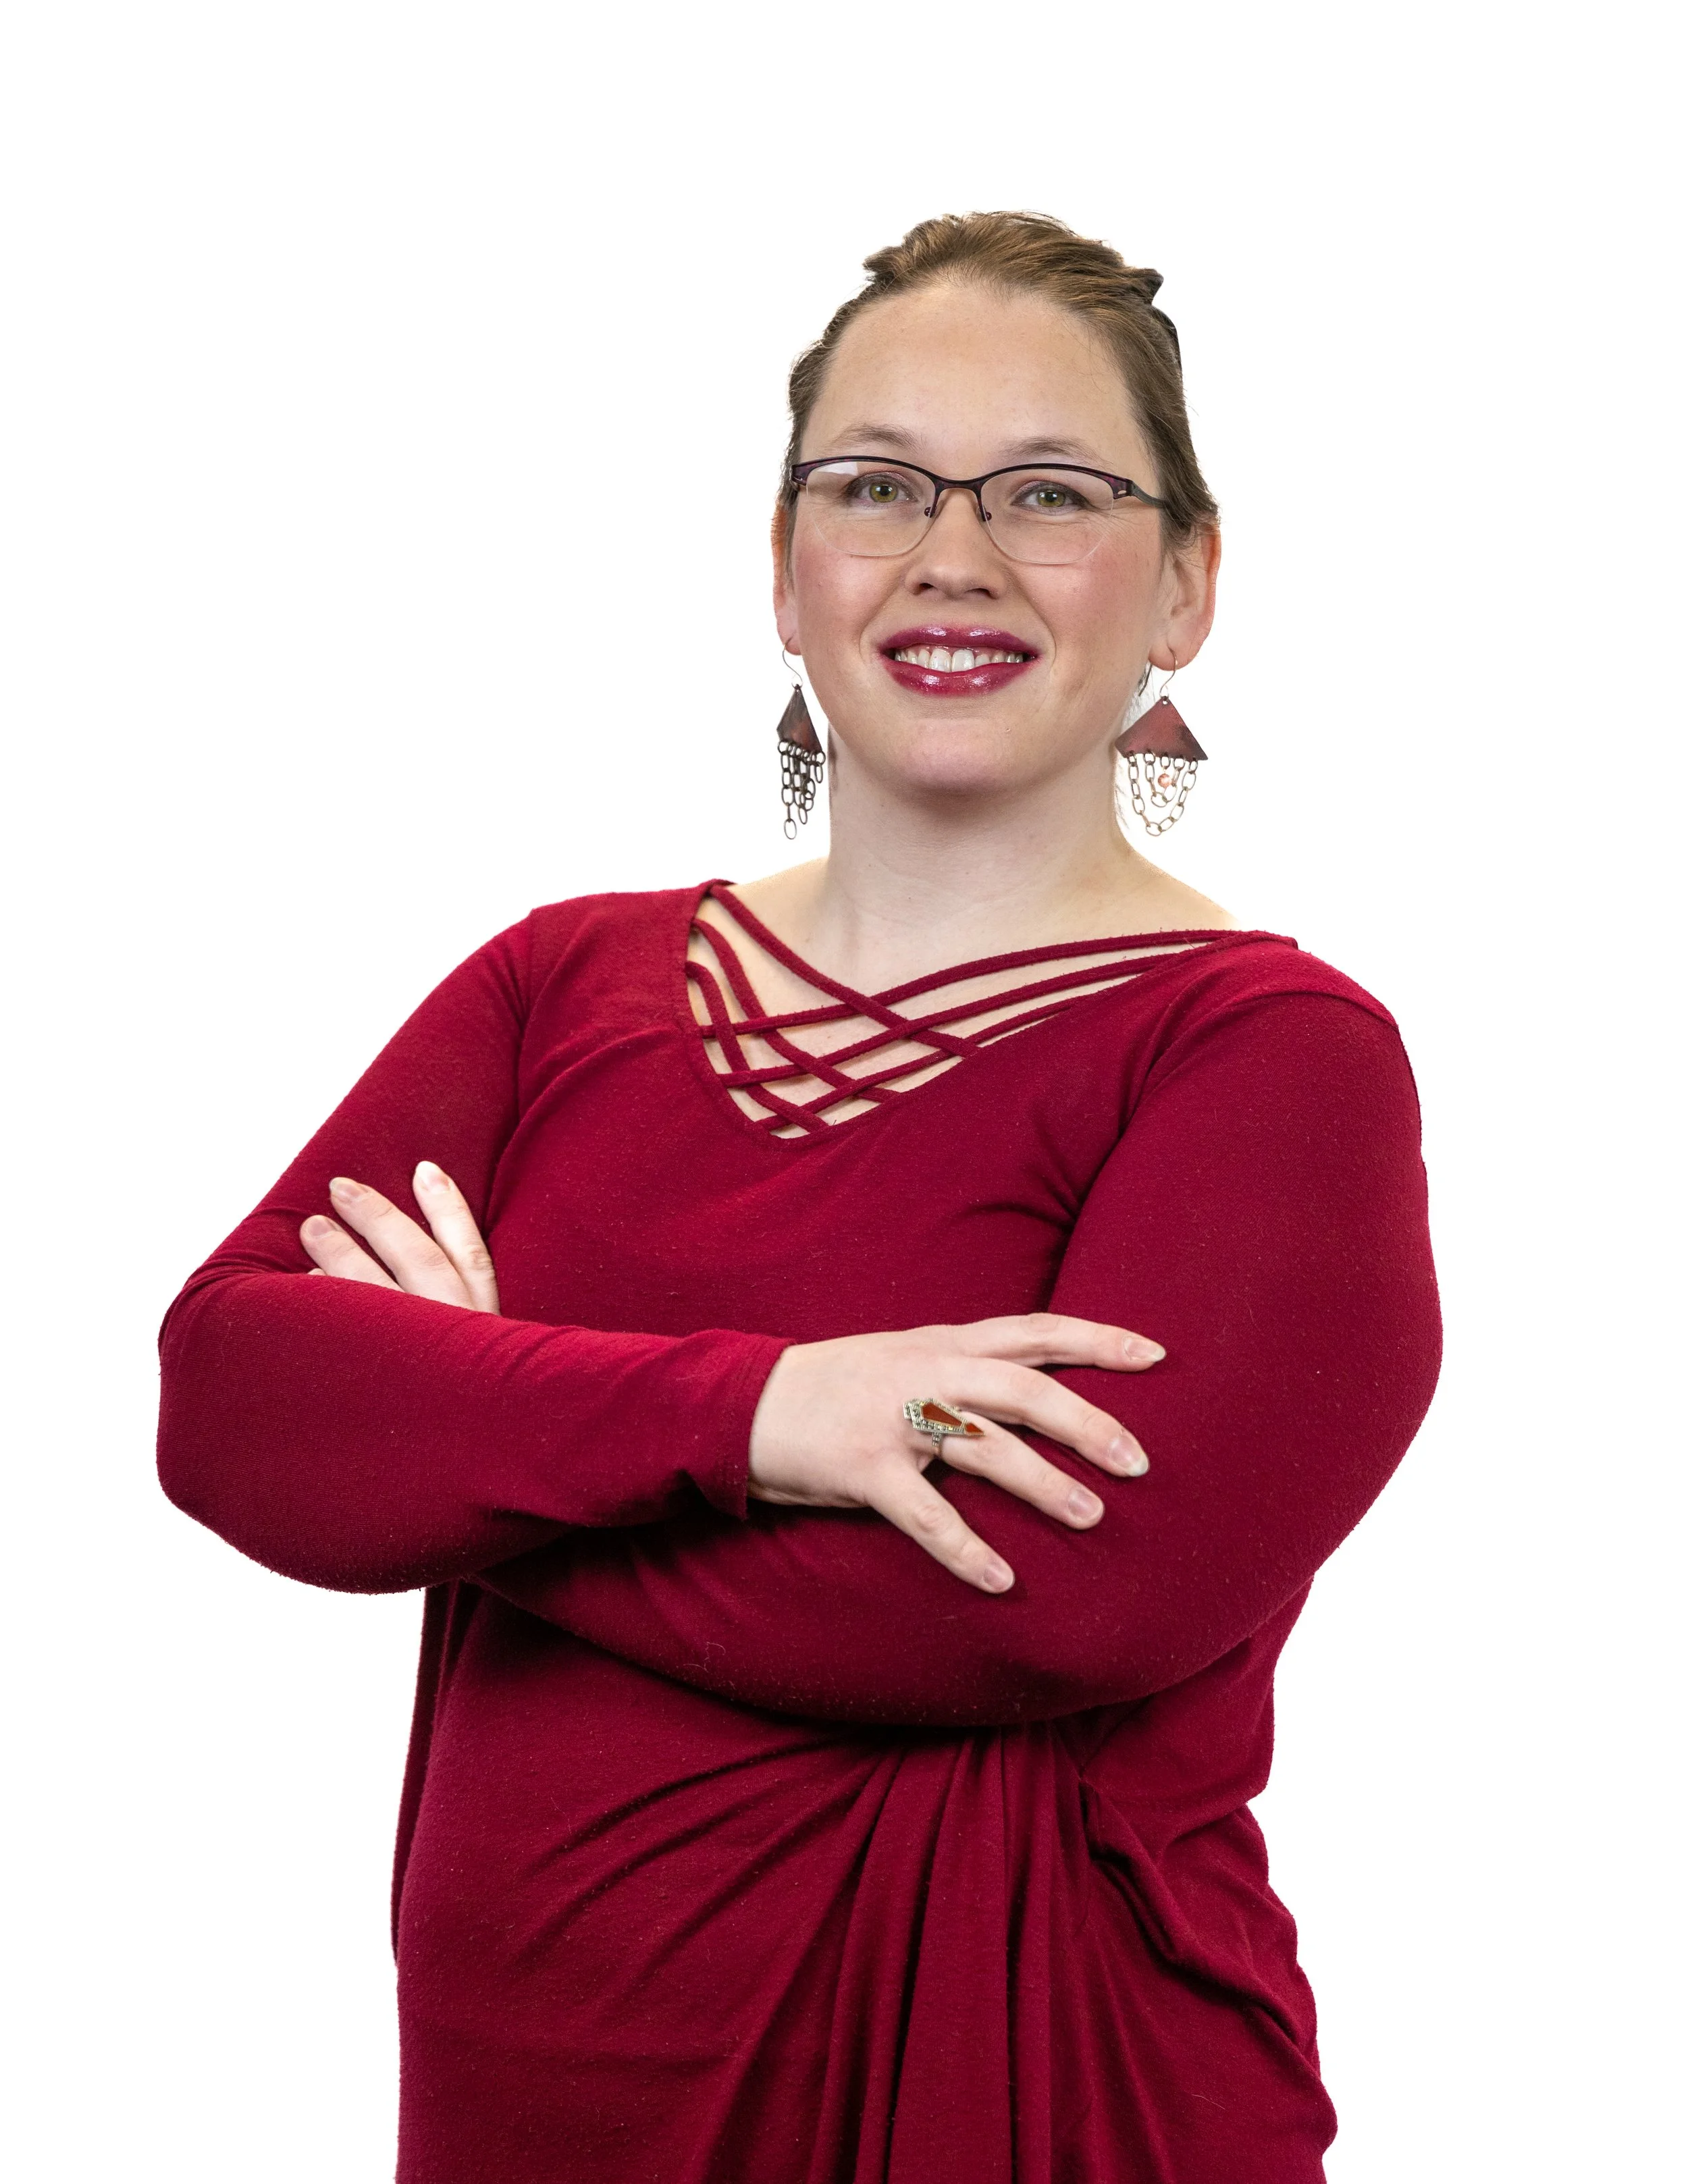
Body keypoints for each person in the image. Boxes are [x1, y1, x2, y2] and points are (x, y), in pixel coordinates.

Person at [157, 211, 1441, 2182]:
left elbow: (1042, 1600)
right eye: (875, 485)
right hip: (525, 2113)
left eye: (1049, 492)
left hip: (1034, 2099)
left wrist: (473, 1432)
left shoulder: (1267, 1057)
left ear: (1187, 584)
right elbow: (236, 1405)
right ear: (783, 569)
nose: (953, 555)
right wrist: (763, 1415)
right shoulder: (558, 982)